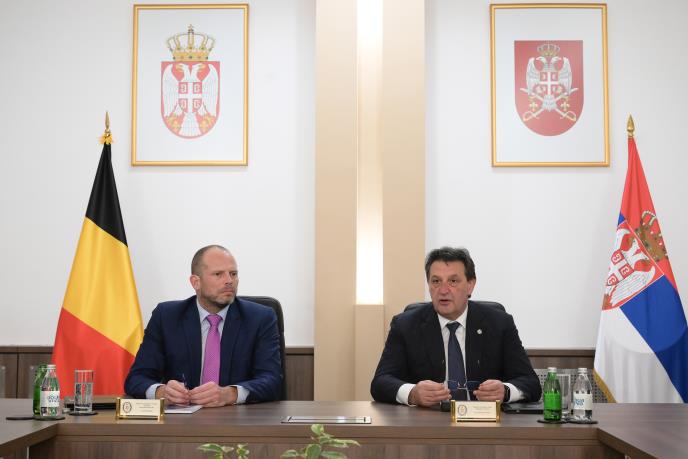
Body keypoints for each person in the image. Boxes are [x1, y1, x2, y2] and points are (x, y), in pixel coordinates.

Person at [370, 247, 541, 407]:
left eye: (453, 281)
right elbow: (380, 383)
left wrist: (505, 391)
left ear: (470, 285)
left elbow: (531, 383)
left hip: (484, 423)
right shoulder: (406, 325)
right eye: (436, 281)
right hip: (428, 422)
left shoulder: (499, 323)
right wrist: (412, 393)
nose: (443, 290)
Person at [124, 245, 282, 406]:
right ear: (196, 282)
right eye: (218, 274)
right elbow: (136, 378)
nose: (229, 280)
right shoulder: (166, 317)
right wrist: (161, 392)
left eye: (233, 274)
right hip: (182, 417)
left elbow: (272, 380)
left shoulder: (260, 318)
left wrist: (230, 394)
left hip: (236, 417)